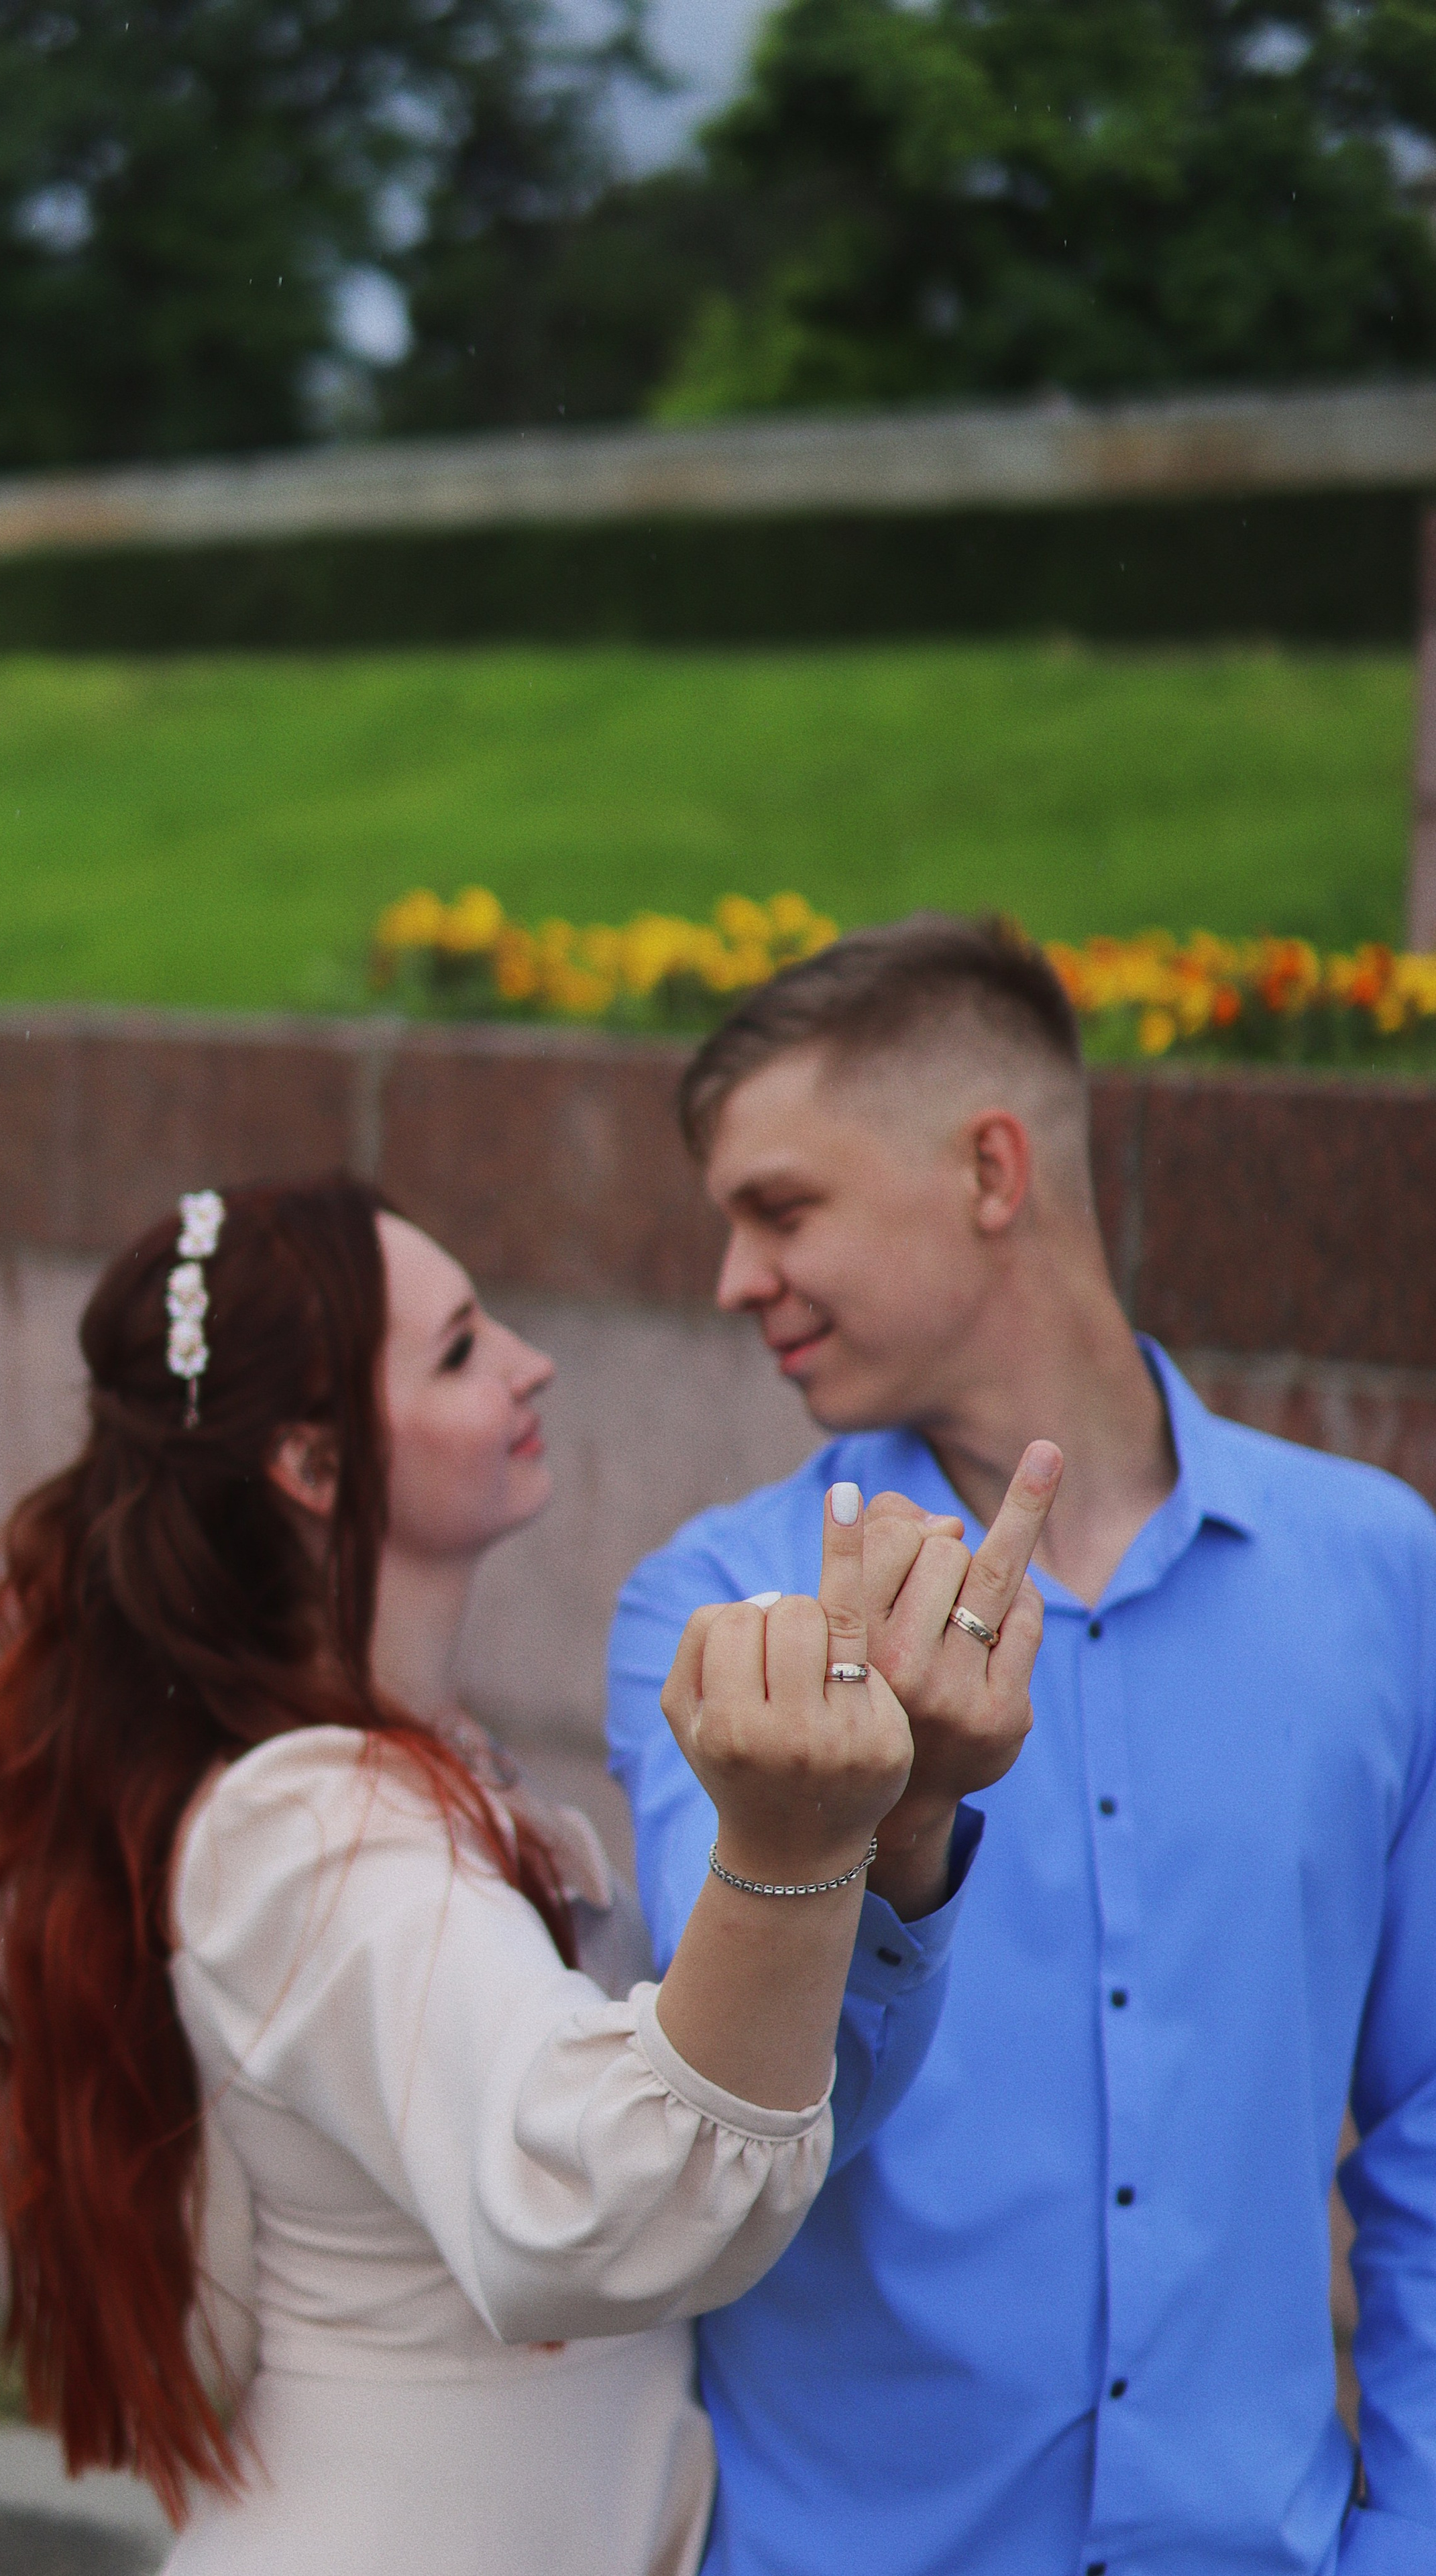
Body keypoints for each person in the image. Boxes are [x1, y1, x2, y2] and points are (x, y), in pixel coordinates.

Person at [0, 1173, 1054, 2575]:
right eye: (461, 1350)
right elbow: (591, 2215)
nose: (530, 1364)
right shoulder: (306, 1831)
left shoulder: (405, 1773)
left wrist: (895, 1822)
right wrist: (787, 1841)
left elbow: (778, 2113)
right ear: (315, 1464)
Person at [607, 912, 1436, 2576]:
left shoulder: (1377, 1572)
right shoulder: (717, 1609)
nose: (731, 1282)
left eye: (781, 1209)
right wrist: (891, 1827)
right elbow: (750, 2120)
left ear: (992, 1169)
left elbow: (1425, 2115)